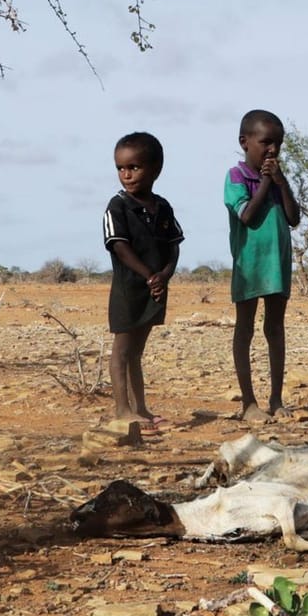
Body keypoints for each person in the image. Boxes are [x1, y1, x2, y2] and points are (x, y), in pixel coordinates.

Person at [103, 131, 183, 431]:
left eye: (133, 167)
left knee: (137, 352)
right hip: (129, 290)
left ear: (155, 169)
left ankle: (142, 409)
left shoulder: (162, 207)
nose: (126, 175)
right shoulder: (117, 206)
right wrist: (148, 275)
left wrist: (164, 274)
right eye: (121, 168)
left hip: (155, 290)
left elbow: (174, 245)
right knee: (122, 351)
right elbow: (119, 246)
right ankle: (122, 410)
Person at [226, 109, 302, 423]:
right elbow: (248, 216)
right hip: (250, 265)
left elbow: (293, 218)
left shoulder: (277, 180)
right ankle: (248, 403)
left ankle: (276, 398)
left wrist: (280, 182)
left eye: (279, 144)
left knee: (275, 329)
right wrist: (267, 181)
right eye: (266, 142)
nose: (273, 149)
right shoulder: (236, 176)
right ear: (245, 142)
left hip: (277, 265)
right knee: (244, 329)